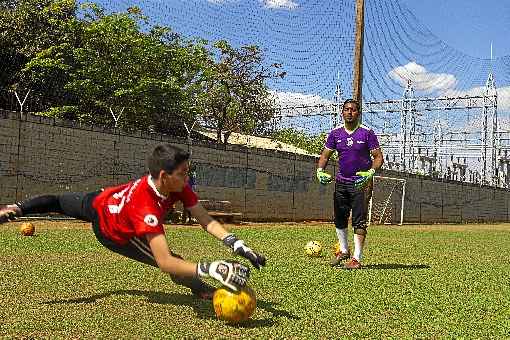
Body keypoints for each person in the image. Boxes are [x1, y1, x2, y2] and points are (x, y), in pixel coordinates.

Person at [0, 144, 266, 298]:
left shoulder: (176, 186)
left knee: (59, 201)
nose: (188, 178)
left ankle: (15, 208)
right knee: (175, 260)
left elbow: (205, 220)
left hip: (102, 198)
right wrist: (210, 268)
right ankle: (200, 289)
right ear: (164, 175)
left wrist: (237, 244)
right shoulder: (146, 206)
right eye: (184, 173)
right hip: (113, 231)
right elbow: (165, 261)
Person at [316, 99, 384, 270]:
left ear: (358, 113)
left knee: (358, 221)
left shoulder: (367, 133)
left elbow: (378, 157)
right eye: (346, 109)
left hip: (361, 183)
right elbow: (325, 155)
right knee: (339, 218)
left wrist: (370, 173)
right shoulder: (335, 133)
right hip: (341, 182)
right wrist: (319, 170)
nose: (349, 112)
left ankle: (356, 258)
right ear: (342, 112)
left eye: (353, 110)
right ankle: (344, 251)